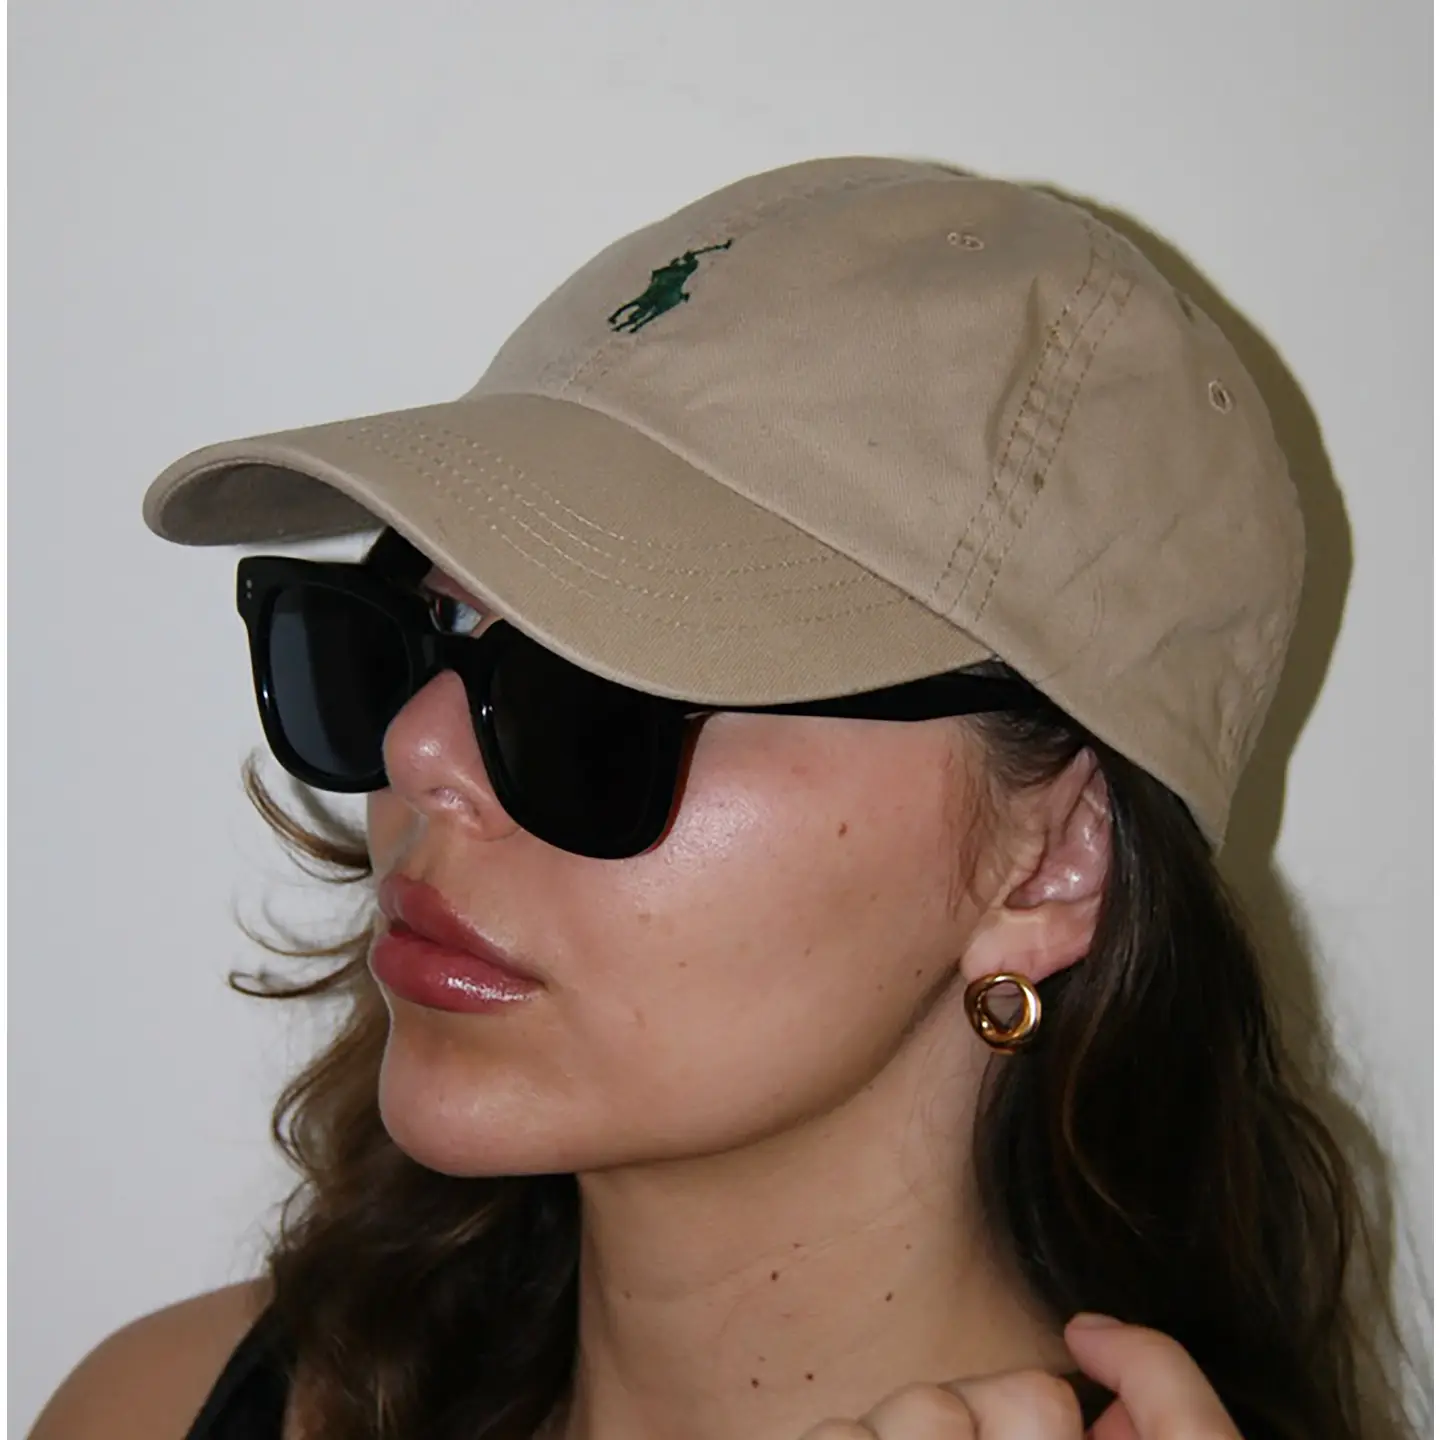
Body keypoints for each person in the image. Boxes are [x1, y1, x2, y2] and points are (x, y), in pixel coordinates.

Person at [30, 155, 1397, 1440]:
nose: (416, 749)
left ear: (1049, 858)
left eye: (602, 691)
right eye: (424, 633)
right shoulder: (157, 1408)